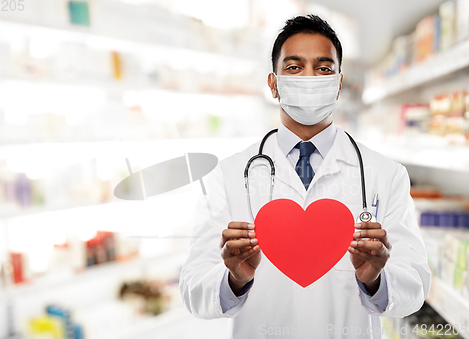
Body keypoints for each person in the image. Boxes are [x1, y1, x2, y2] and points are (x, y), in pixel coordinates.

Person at [179, 15, 431, 339]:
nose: (310, 78)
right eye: (294, 67)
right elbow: (193, 289)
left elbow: (415, 284)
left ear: (339, 83)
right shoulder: (228, 175)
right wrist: (234, 280)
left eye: (324, 68)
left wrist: (375, 280)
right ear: (273, 84)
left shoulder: (386, 175)